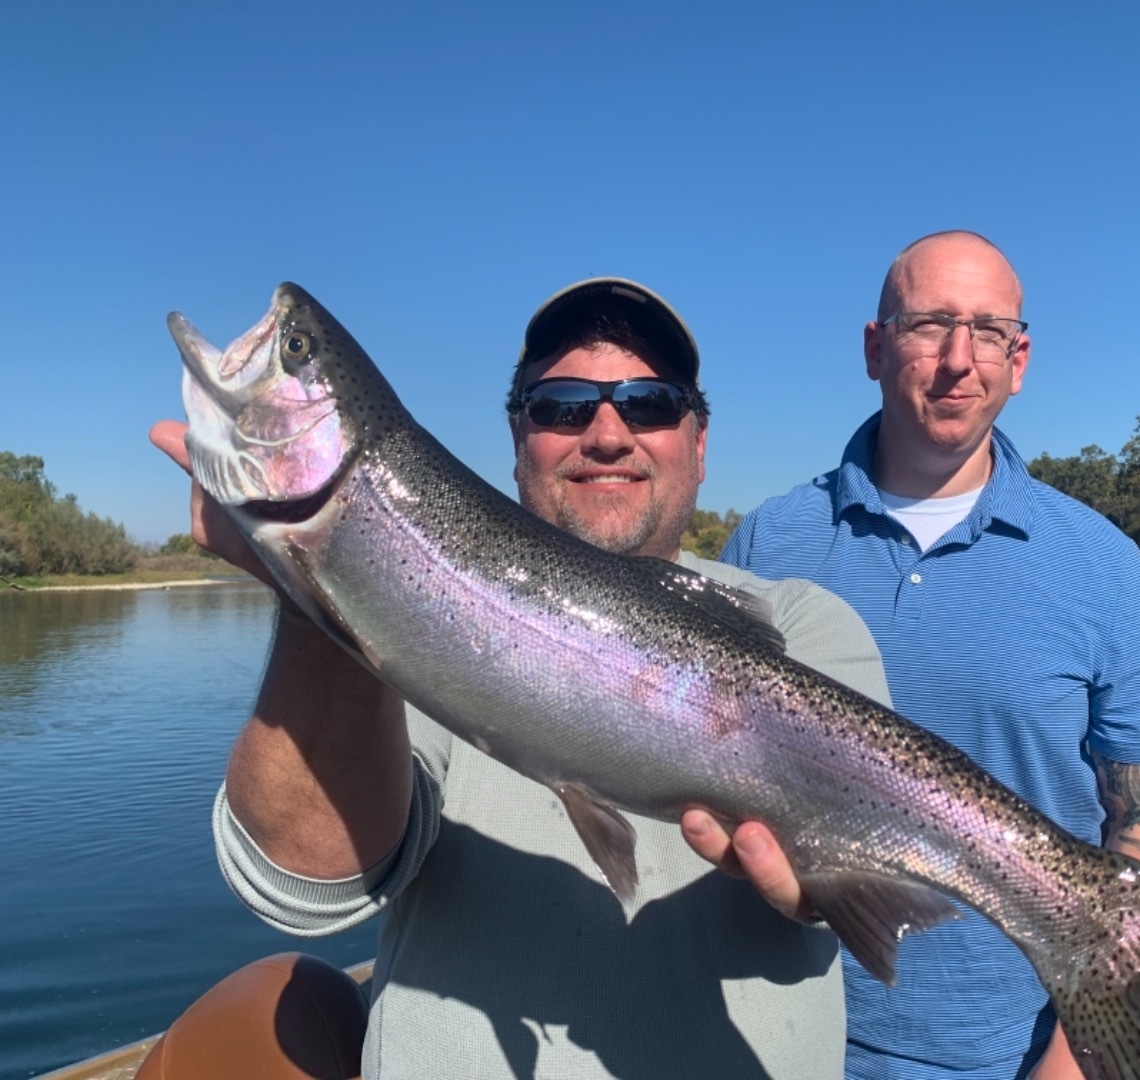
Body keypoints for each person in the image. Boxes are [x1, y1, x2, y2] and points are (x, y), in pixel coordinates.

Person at [149, 278, 892, 1080]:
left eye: (649, 402)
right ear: (516, 438)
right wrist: (317, 590)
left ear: (700, 443)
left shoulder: (804, 631)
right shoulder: (423, 627)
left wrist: (844, 883)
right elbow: (302, 887)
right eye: (563, 405)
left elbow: (888, 857)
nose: (608, 433)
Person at [716, 232, 1140, 1080]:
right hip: (776, 1030)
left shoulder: (1104, 565)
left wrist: (1076, 1058)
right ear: (874, 348)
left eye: (988, 332)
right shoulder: (764, 541)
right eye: (928, 324)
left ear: (1020, 360)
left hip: (1002, 1058)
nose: (956, 360)